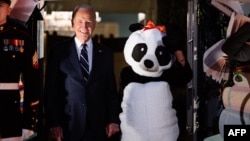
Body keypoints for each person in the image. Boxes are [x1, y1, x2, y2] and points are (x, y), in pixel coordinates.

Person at [44, 4, 121, 141]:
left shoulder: (106, 53)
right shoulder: (58, 52)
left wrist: (114, 120)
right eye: (80, 21)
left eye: (88, 22)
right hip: (67, 128)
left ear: (95, 24)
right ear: (72, 23)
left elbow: (111, 91)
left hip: (99, 129)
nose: (84, 27)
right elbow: (50, 92)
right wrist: (53, 124)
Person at [0, 0, 40, 140]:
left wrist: (29, 123)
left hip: (11, 113)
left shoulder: (21, 35)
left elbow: (33, 81)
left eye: (0, 5)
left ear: (9, 9)